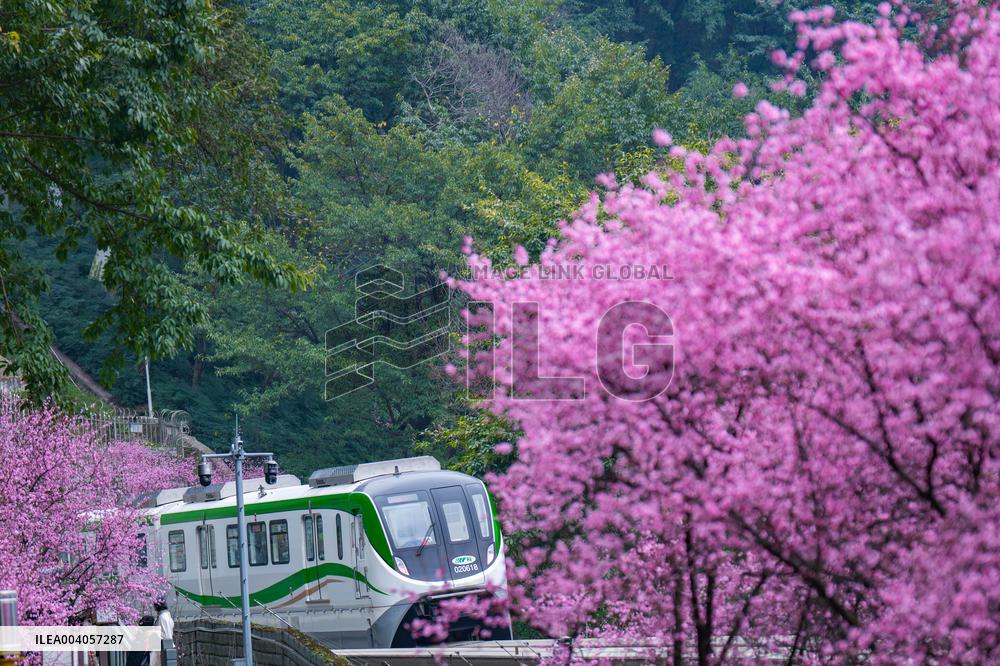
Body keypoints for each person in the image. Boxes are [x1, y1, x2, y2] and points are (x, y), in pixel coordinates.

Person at [149, 602, 173, 666]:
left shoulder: (163, 617)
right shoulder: (165, 616)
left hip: (162, 647)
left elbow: (166, 635)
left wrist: (153, 632)